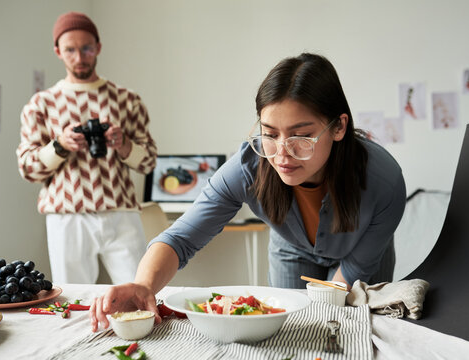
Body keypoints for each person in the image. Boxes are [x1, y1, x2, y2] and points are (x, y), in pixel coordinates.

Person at [89, 53, 406, 330]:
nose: (282, 153)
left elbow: (349, 276)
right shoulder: (247, 167)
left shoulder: (384, 181)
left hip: (360, 258)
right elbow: (181, 237)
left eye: (301, 136)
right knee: (288, 329)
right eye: (270, 134)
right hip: (291, 250)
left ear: (338, 127)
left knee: (353, 327)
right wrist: (144, 285)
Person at [16, 12, 157, 285]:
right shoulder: (41, 103)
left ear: (98, 48)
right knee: (74, 299)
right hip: (66, 215)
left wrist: (124, 145)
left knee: (141, 291)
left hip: (121, 212)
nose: (79, 57)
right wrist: (60, 145)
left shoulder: (127, 100)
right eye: (70, 49)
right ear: (58, 51)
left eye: (87, 48)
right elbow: (28, 168)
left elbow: (149, 161)